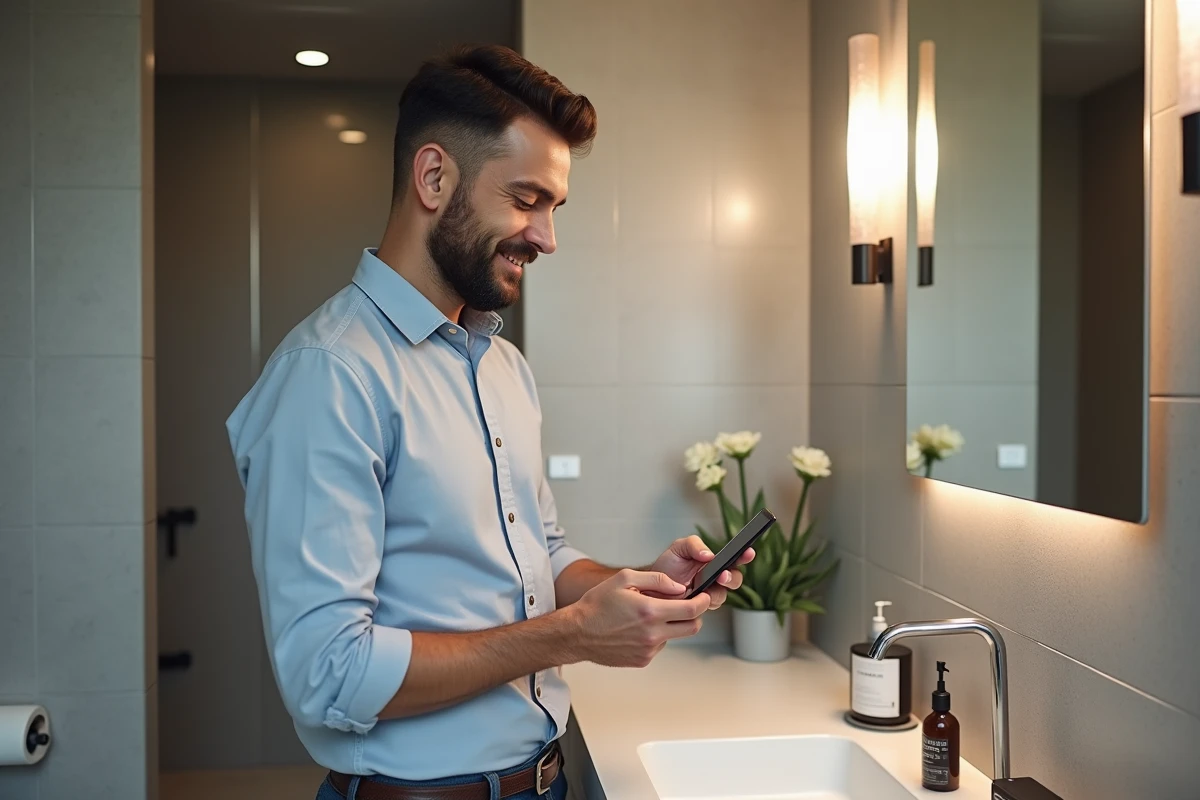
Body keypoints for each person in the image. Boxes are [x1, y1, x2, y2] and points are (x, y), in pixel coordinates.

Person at [225, 44, 753, 800]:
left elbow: (541, 554)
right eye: (526, 198)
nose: (547, 237)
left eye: (554, 207)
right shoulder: (330, 375)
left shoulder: (503, 368)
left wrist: (632, 589)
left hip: (543, 783)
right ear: (434, 177)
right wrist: (574, 636)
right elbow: (329, 672)